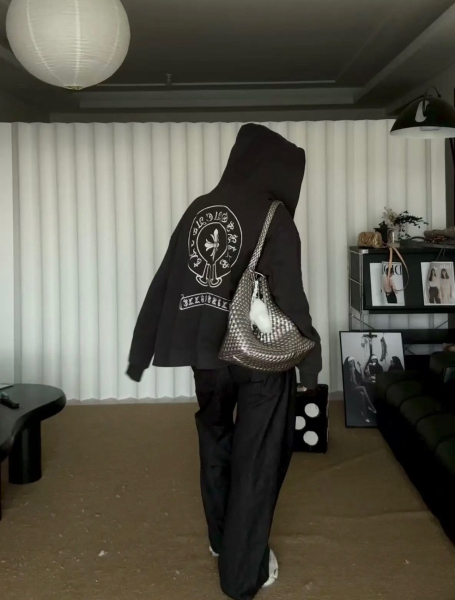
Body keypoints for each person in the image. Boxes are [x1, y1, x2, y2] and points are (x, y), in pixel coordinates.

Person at [127, 124, 322, 600]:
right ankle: (241, 576)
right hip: (260, 358)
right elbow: (290, 299)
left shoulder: (199, 208)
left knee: (215, 438)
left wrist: (140, 350)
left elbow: (165, 280)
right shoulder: (275, 216)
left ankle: (221, 539)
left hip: (206, 354)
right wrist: (311, 365)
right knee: (258, 458)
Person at [343, 357, 376, 423]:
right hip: (349, 389)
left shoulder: (354, 369)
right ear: (348, 363)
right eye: (351, 361)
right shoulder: (346, 371)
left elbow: (362, 377)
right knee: (363, 388)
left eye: (353, 361)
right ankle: (370, 406)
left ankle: (364, 415)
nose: (352, 363)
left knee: (362, 394)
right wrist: (352, 373)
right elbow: (354, 383)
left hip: (355, 388)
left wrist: (361, 368)